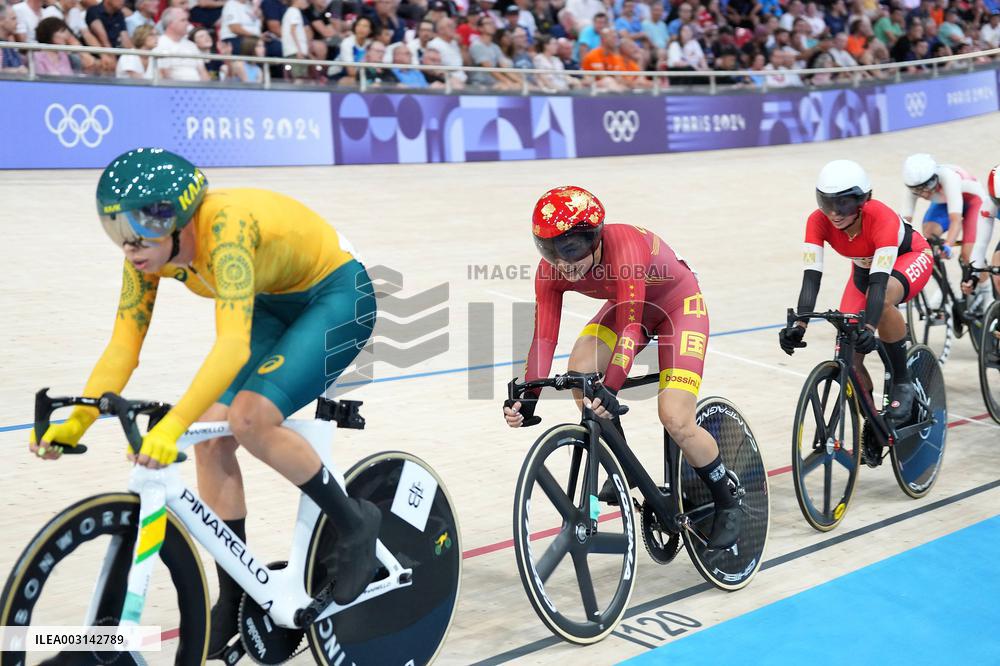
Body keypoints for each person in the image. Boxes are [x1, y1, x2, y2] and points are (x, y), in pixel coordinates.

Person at [29, 148, 381, 657]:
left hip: (336, 296)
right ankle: (237, 592)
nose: (128, 244)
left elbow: (232, 347)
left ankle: (354, 523)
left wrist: (170, 423)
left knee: (249, 419)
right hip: (272, 300)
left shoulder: (226, 231)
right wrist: (78, 421)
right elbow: (123, 348)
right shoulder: (149, 254)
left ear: (177, 217)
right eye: (114, 229)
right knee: (209, 440)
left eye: (138, 228)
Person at [503, 186, 742, 550]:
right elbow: (543, 340)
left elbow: (631, 328)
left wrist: (612, 388)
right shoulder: (551, 272)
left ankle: (727, 498)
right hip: (631, 308)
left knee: (675, 417)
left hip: (677, 309)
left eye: (570, 249)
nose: (563, 263)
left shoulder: (624, 245)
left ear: (594, 237)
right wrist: (528, 395)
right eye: (550, 250)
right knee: (580, 371)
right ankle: (624, 469)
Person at [780, 160, 933, 433]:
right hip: (864, 269)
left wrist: (870, 327)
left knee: (882, 302)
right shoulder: (817, 221)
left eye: (844, 205)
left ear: (863, 202)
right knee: (849, 353)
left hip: (908, 257)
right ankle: (874, 424)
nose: (835, 213)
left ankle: (902, 380)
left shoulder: (881, 218)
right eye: (827, 203)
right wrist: (799, 325)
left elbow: (878, 282)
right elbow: (811, 277)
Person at [901, 154, 995, 300]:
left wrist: (948, 245)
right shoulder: (914, 186)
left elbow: (955, 220)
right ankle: (943, 288)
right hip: (944, 202)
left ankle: (987, 293)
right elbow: (905, 222)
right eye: (918, 191)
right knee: (929, 236)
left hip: (972, 201)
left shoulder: (948, 177)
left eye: (927, 186)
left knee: (968, 254)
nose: (925, 193)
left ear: (935, 177)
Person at [151, 9, 210, 81]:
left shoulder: (191, 45)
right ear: (170, 24)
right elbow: (164, 74)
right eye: (183, 20)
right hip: (175, 89)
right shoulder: (159, 44)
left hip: (197, 88)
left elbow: (202, 71)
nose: (188, 23)